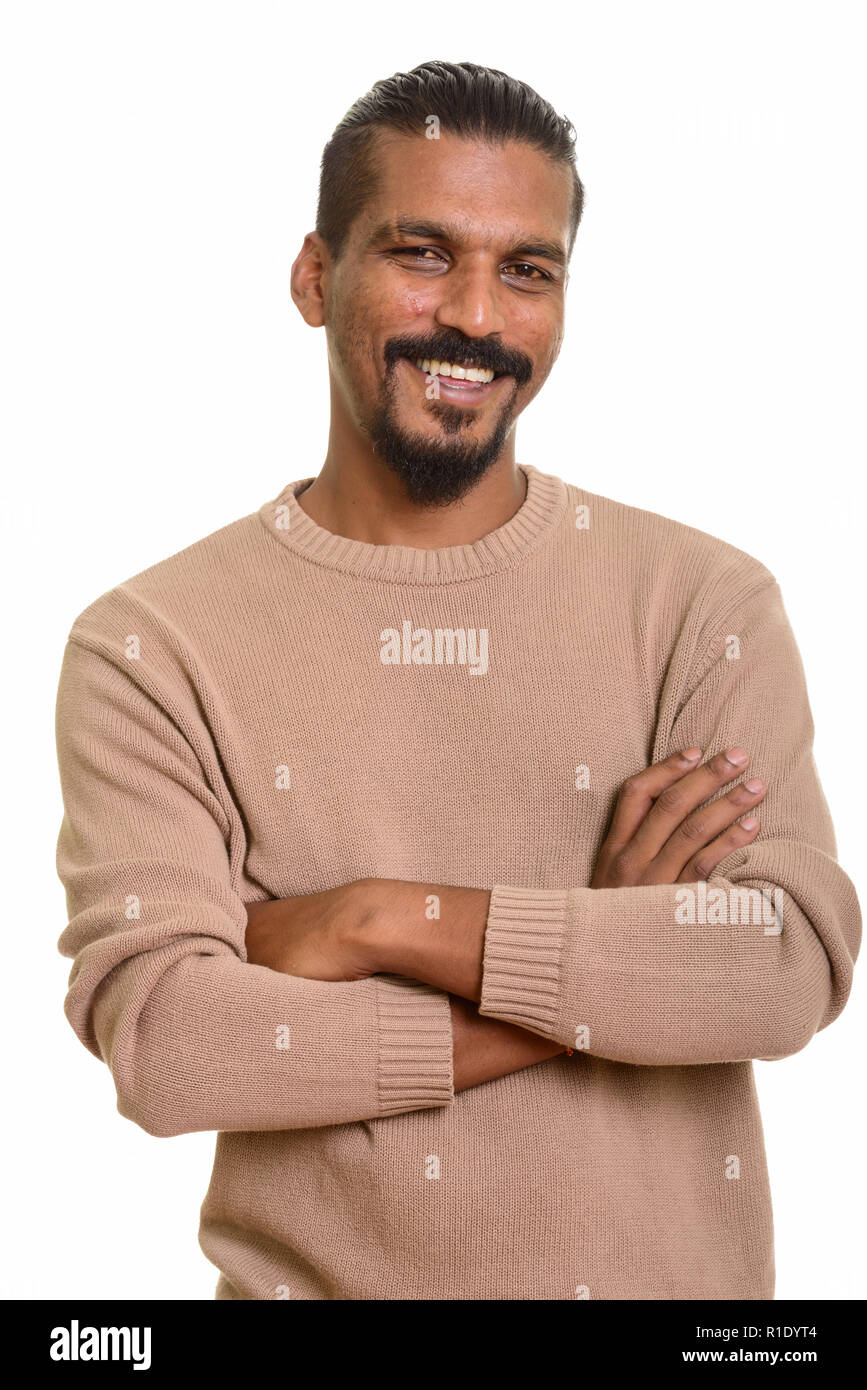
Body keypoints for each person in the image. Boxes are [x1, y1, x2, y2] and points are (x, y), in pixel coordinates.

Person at [55, 59, 860, 1300]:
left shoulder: (704, 602)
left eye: (526, 269)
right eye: (423, 252)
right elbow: (172, 1049)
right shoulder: (151, 645)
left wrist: (373, 916)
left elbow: (785, 960)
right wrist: (592, 961)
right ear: (316, 277)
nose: (478, 316)